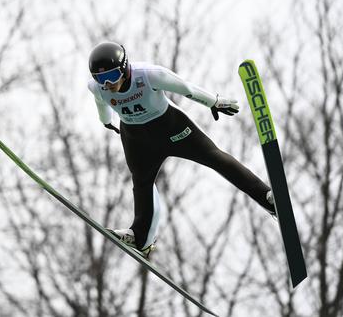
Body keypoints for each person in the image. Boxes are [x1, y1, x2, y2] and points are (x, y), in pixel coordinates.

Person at [87, 41, 276, 256]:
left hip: (171, 128)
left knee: (214, 158)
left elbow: (186, 88)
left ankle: (268, 198)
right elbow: (100, 104)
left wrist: (214, 102)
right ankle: (141, 239)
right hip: (137, 138)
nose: (107, 84)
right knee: (141, 182)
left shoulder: (149, 75)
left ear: (124, 68)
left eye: (110, 76)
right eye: (100, 78)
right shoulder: (98, 89)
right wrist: (106, 122)